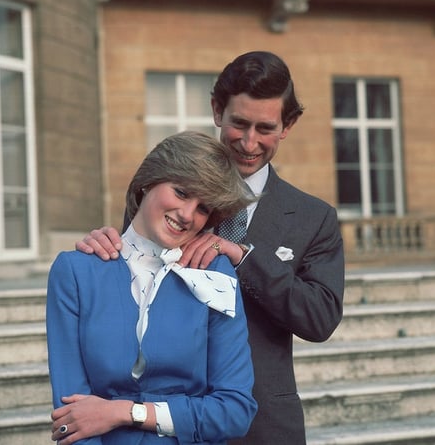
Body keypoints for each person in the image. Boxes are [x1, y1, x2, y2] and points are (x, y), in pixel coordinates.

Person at [75, 51, 345, 444]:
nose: (249, 143)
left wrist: (243, 257)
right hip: (166, 423)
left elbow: (320, 319)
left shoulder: (313, 217)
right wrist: (103, 250)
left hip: (264, 425)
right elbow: (131, 284)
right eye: (239, 123)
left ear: (288, 125)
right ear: (218, 110)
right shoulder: (168, 195)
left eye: (265, 128)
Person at [46, 131, 258, 445]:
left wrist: (127, 412)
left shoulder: (215, 273)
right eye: (182, 192)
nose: (187, 215)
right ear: (148, 182)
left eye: (203, 208)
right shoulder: (76, 272)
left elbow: (235, 410)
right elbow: (71, 416)